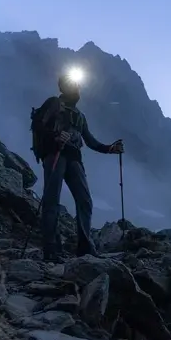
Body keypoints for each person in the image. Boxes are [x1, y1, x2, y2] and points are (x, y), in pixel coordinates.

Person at [32, 73, 124, 262]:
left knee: (85, 201)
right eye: (72, 85)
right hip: (54, 154)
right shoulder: (53, 104)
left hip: (73, 158)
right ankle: (51, 251)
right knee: (51, 201)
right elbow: (38, 125)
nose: (76, 89)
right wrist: (55, 137)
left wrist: (110, 149)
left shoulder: (80, 116)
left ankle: (84, 248)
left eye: (77, 85)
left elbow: (90, 141)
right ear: (63, 87)